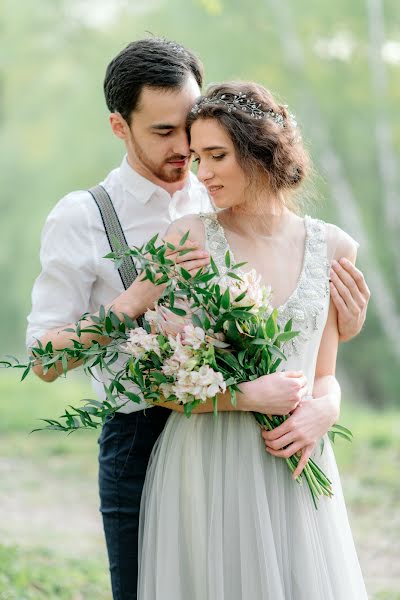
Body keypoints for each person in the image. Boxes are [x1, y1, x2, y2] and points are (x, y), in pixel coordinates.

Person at [26, 39, 369, 600]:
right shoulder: (82, 218)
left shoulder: (226, 185)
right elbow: (42, 361)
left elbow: (304, 340)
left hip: (271, 438)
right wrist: (136, 297)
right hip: (145, 437)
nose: (188, 152)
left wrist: (329, 343)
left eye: (192, 129)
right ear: (120, 126)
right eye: (165, 133)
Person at [136, 82, 368, 599]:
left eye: (217, 156)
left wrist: (324, 412)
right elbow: (154, 379)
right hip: (208, 461)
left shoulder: (333, 246)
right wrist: (243, 397)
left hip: (296, 458)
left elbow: (324, 374)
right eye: (197, 158)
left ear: (261, 150)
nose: (203, 173)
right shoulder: (188, 238)